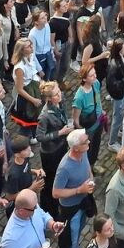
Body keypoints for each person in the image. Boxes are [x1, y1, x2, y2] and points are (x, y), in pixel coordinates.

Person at [51, 129, 95, 248]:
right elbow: (56, 193)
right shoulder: (64, 168)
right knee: (71, 237)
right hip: (71, 208)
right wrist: (79, 190)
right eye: (85, 142)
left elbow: (87, 167)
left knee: (81, 227)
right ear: (75, 148)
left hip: (84, 201)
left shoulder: (84, 152)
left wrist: (91, 179)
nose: (89, 142)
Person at [36, 81, 73, 217]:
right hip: (51, 152)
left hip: (61, 145)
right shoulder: (44, 116)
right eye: (56, 94)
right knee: (51, 181)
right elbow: (40, 136)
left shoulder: (60, 103)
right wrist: (60, 133)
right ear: (49, 98)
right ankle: (49, 209)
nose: (60, 95)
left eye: (59, 92)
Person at [0, 187, 65, 248]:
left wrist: (52, 225)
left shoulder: (31, 206)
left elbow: (42, 215)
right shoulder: (10, 241)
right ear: (21, 211)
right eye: (34, 207)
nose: (36, 208)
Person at [71, 64, 104, 168]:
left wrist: (101, 111)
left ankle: (93, 163)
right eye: (91, 75)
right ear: (84, 79)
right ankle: (87, 168)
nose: (95, 76)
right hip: (88, 129)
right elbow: (76, 120)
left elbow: (98, 100)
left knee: (96, 146)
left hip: (99, 121)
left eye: (95, 74)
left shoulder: (96, 83)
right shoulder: (79, 98)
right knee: (87, 150)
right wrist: (83, 133)